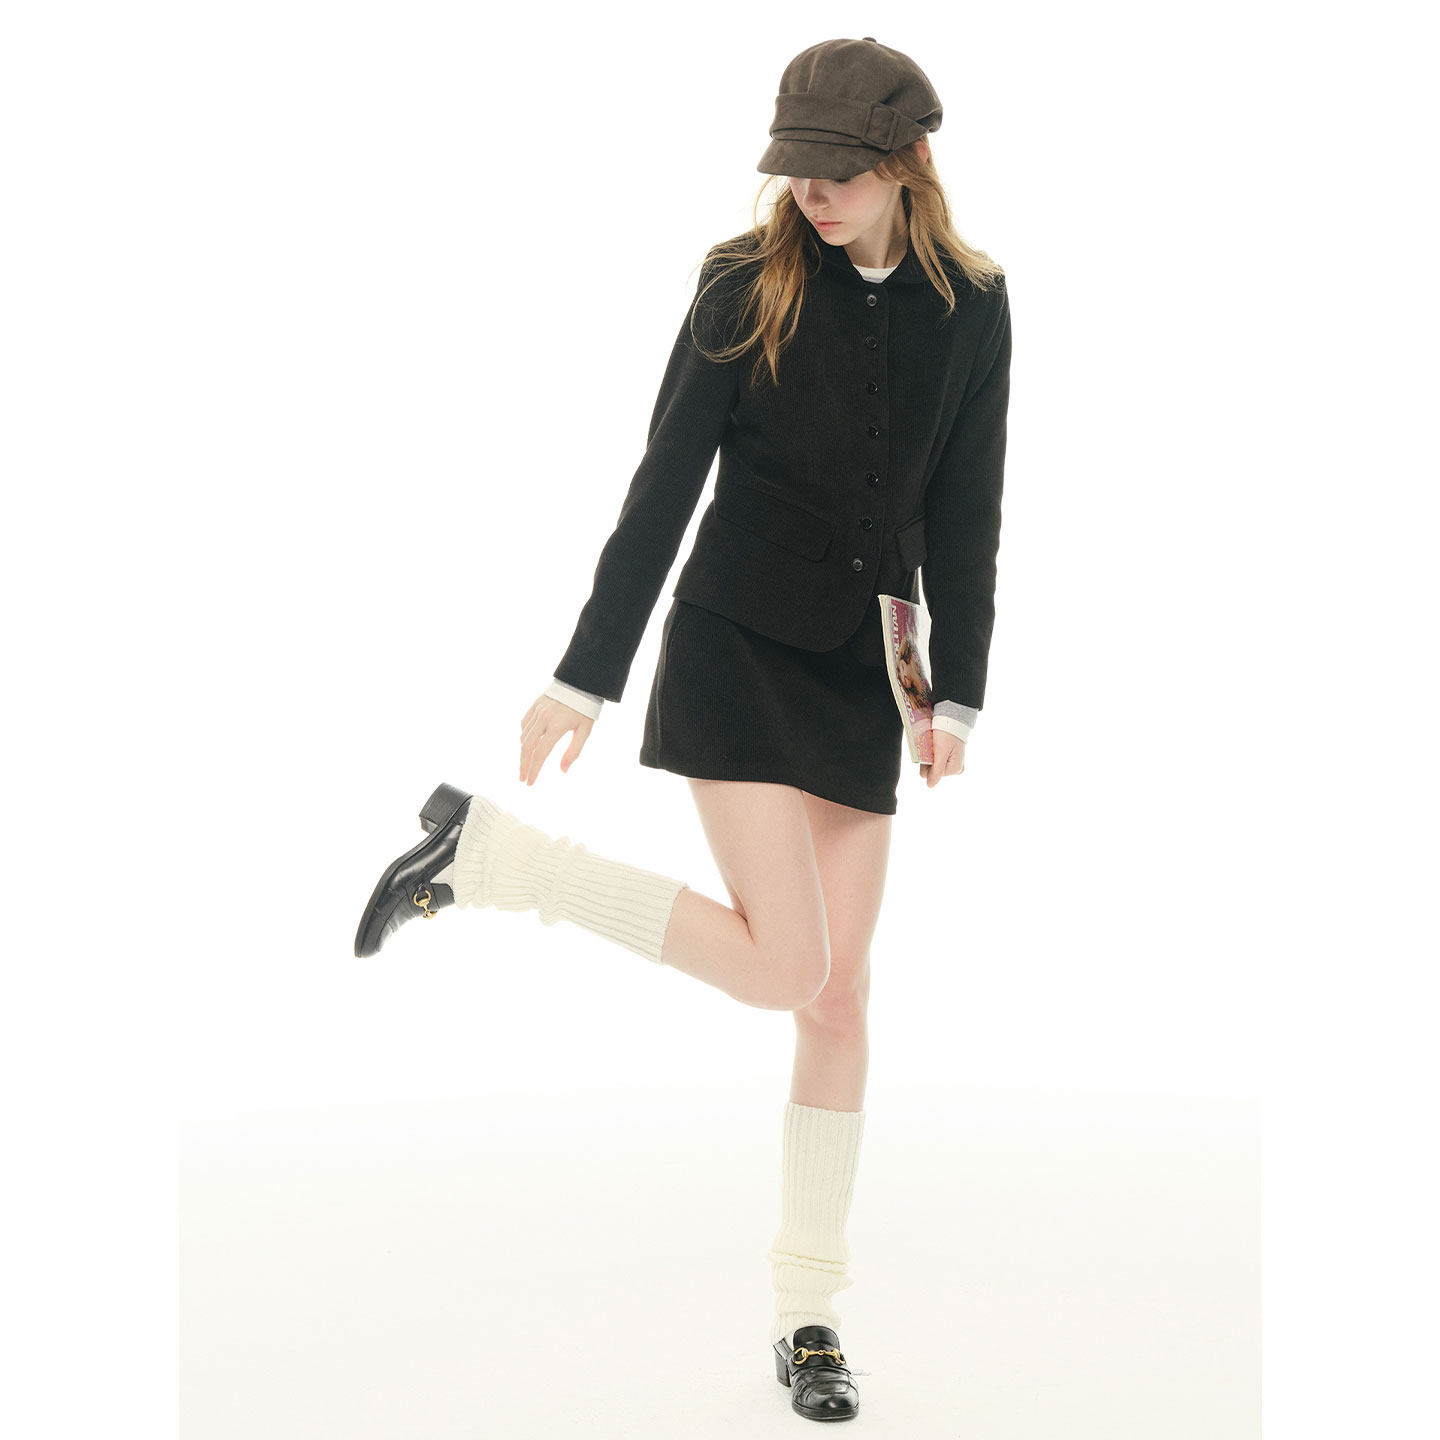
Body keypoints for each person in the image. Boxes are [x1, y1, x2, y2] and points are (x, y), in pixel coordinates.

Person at [354, 35, 1011, 1424]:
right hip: (734, 650)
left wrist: (955, 691)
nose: (811, 193)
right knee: (789, 969)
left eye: (838, 172)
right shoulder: (742, 280)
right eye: (797, 169)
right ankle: (500, 865)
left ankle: (810, 1314)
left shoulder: (975, 305)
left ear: (904, 162)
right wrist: (581, 678)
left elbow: (968, 506)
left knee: (839, 999)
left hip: (864, 676)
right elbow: (662, 486)